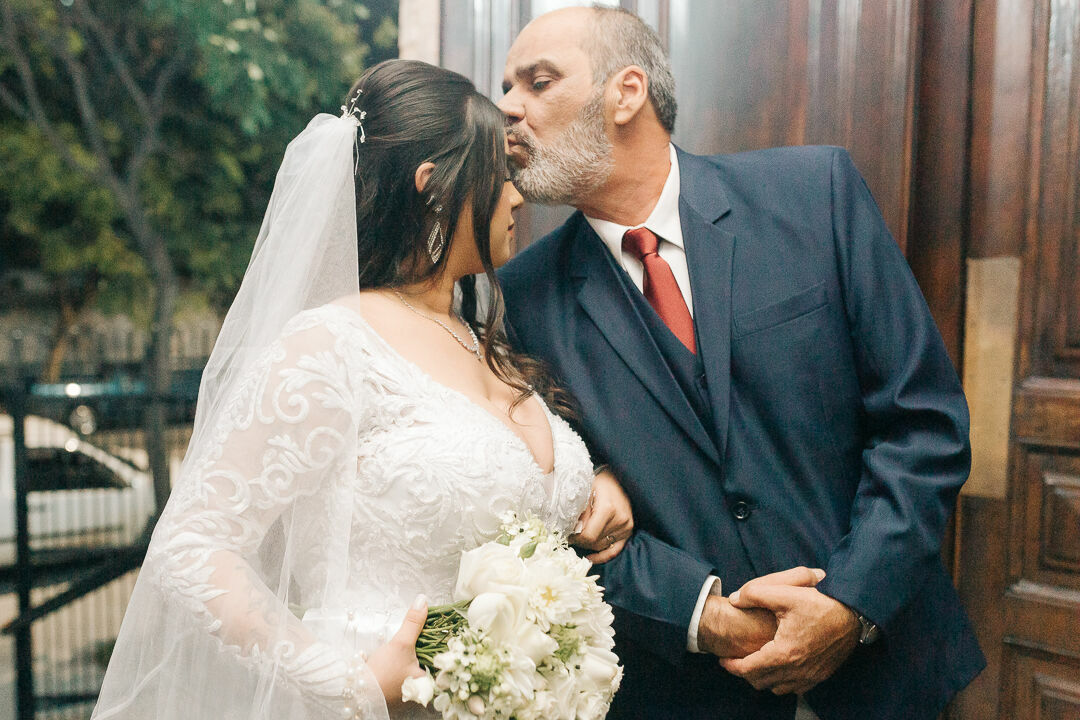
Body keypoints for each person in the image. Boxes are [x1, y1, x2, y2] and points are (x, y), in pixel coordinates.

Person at [91, 59, 634, 720]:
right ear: (433, 187)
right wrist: (343, 682)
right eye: (501, 174)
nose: (519, 198)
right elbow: (192, 547)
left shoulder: (483, 338)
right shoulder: (332, 345)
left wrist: (599, 481)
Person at [497, 6, 985, 720]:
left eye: (537, 82)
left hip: (890, 679)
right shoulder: (524, 297)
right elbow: (561, 520)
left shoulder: (815, 194)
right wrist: (705, 613)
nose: (508, 107)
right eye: (507, 87)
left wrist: (851, 602)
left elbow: (924, 425)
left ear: (626, 92)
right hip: (684, 693)